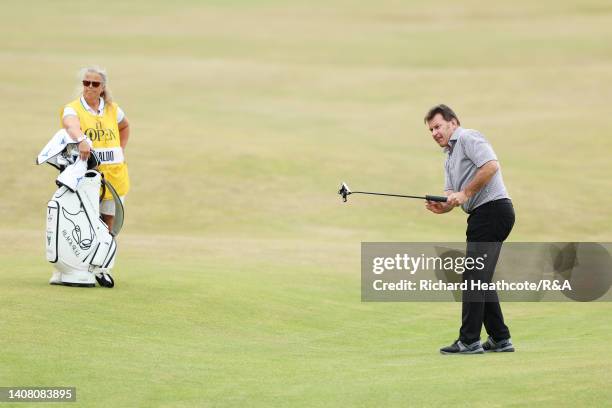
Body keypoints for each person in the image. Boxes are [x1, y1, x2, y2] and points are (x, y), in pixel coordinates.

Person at [424, 104, 515, 354]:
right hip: (481, 216)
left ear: (453, 123)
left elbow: (491, 165)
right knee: (480, 278)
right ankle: (499, 338)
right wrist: (443, 206)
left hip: (493, 211)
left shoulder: (467, 137)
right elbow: (451, 195)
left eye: (438, 126)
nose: (434, 133)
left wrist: (465, 193)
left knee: (473, 277)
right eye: (431, 129)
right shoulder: (449, 157)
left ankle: (469, 340)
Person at [61, 66, 130, 233]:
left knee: (108, 227)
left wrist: (121, 149)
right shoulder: (73, 108)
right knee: (85, 226)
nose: (90, 86)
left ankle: (102, 258)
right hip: (86, 176)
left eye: (95, 83)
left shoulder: (113, 109)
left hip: (114, 176)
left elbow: (125, 126)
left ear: (102, 87)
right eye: (86, 82)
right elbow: (71, 124)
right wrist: (81, 139)